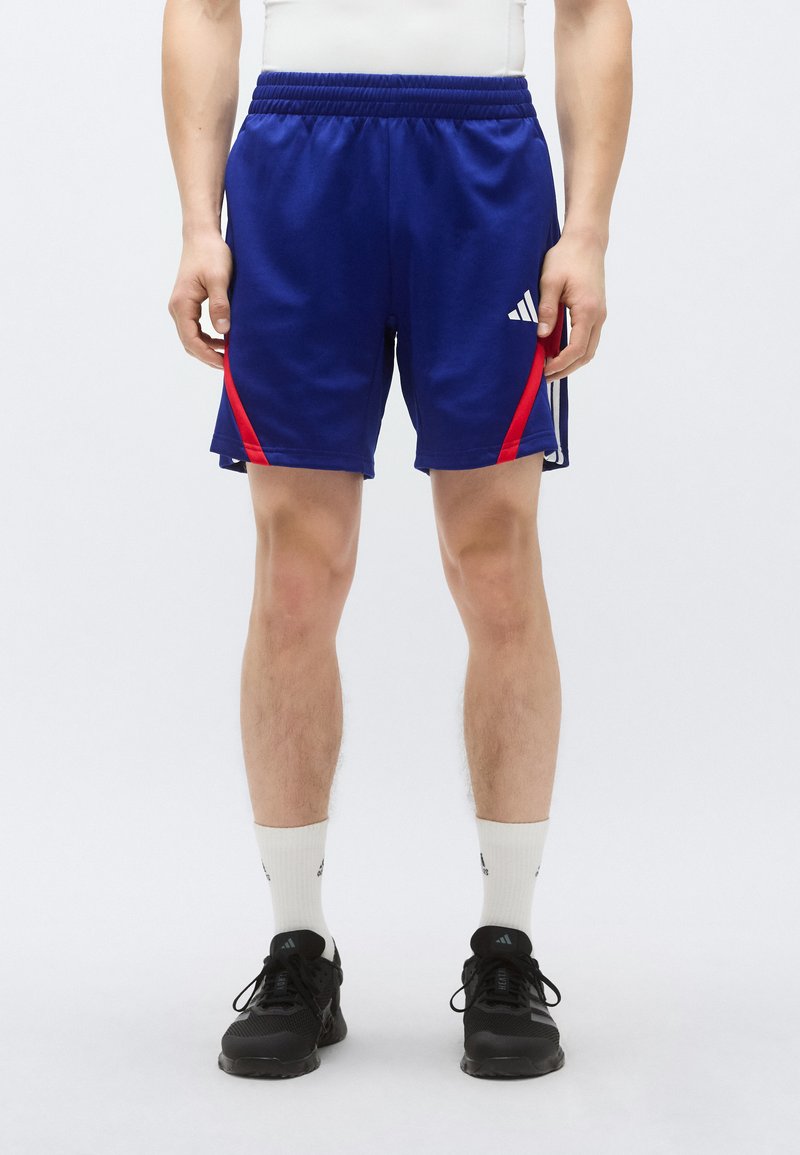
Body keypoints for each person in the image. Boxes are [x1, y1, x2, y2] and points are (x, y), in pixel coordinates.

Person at [162, 0, 632, 1080]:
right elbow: (204, 8)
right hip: (297, 157)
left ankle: (506, 943)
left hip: (480, 161)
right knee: (295, 571)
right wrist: (197, 220)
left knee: (495, 559)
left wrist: (588, 229)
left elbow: (590, 12)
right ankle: (298, 943)